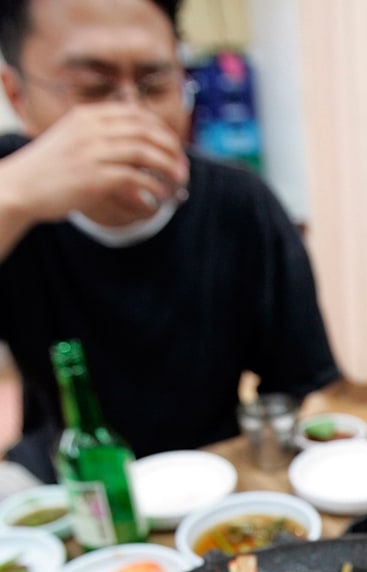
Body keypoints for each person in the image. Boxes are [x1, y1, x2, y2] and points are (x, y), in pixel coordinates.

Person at [0, 0, 341, 484]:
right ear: (17, 96)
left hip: (214, 467)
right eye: (92, 88)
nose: (130, 116)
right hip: (62, 475)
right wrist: (13, 197)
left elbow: (296, 381)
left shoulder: (239, 203)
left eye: (155, 85)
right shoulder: (9, 189)